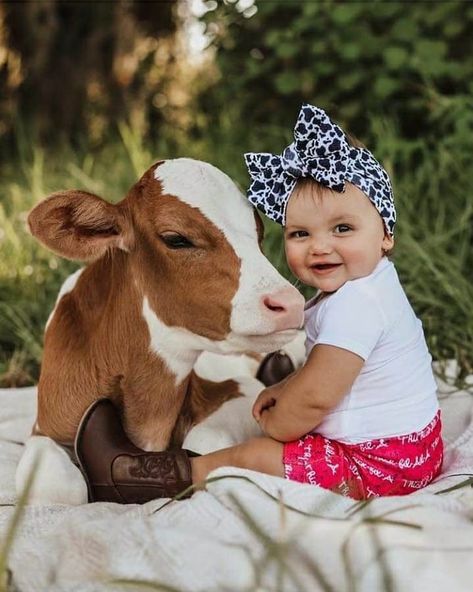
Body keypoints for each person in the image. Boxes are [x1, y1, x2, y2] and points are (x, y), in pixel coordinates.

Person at [75, 104, 443, 503]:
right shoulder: (373, 284)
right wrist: (286, 386)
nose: (320, 246)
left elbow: (317, 397)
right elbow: (329, 370)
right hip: (417, 449)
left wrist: (279, 422)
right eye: (300, 233)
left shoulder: (357, 308)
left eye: (342, 228)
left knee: (251, 455)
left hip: (377, 466)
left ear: (385, 233)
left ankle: (143, 480)